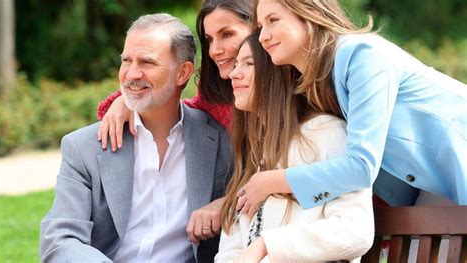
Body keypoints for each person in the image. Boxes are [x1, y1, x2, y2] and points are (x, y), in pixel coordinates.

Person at [234, 0, 467, 217]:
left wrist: (272, 181)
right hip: (434, 189)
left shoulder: (361, 55)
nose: (263, 36)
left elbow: (361, 166)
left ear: (309, 14)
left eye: (273, 20)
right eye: (261, 26)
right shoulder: (318, 82)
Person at [39, 13, 233, 262]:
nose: (131, 74)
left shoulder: (219, 140)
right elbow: (60, 240)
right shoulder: (83, 148)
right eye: (126, 60)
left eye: (147, 62)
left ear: (182, 73)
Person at [95, 0, 257, 244]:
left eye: (227, 34)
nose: (215, 50)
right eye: (210, 39)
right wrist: (126, 100)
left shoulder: (287, 90)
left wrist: (225, 203)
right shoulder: (218, 94)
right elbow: (185, 111)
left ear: (257, 28)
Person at [215, 31, 374, 262]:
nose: (233, 74)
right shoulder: (255, 151)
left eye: (249, 63)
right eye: (236, 64)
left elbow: (354, 231)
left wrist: (267, 246)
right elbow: (231, 246)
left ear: (277, 72)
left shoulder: (327, 134)